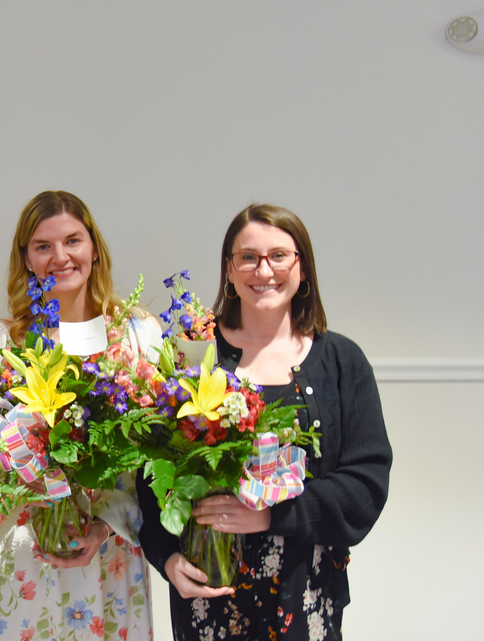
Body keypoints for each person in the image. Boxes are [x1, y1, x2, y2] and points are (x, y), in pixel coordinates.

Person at [137, 204, 392, 640]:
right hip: (208, 594)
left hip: (306, 592)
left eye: (279, 255)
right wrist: (166, 558)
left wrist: (272, 516)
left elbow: (366, 485)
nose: (264, 270)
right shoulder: (189, 356)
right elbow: (150, 477)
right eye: (248, 257)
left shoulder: (341, 362)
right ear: (230, 271)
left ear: (302, 267)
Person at [0, 191, 157, 641]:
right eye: (43, 246)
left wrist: (106, 523)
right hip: (23, 556)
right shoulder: (0, 343)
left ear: (94, 248)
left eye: (73, 241)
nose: (61, 257)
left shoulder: (135, 335)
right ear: (26, 258)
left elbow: (155, 456)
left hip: (108, 556)